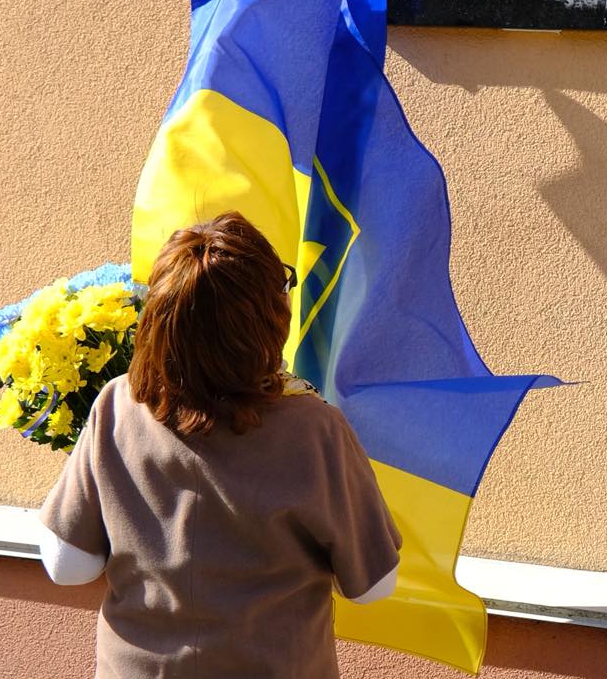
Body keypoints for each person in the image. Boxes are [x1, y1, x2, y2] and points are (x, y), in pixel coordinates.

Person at [37, 211, 402, 679]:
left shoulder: (117, 405)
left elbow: (67, 567)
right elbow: (373, 586)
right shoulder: (315, 429)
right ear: (269, 318)